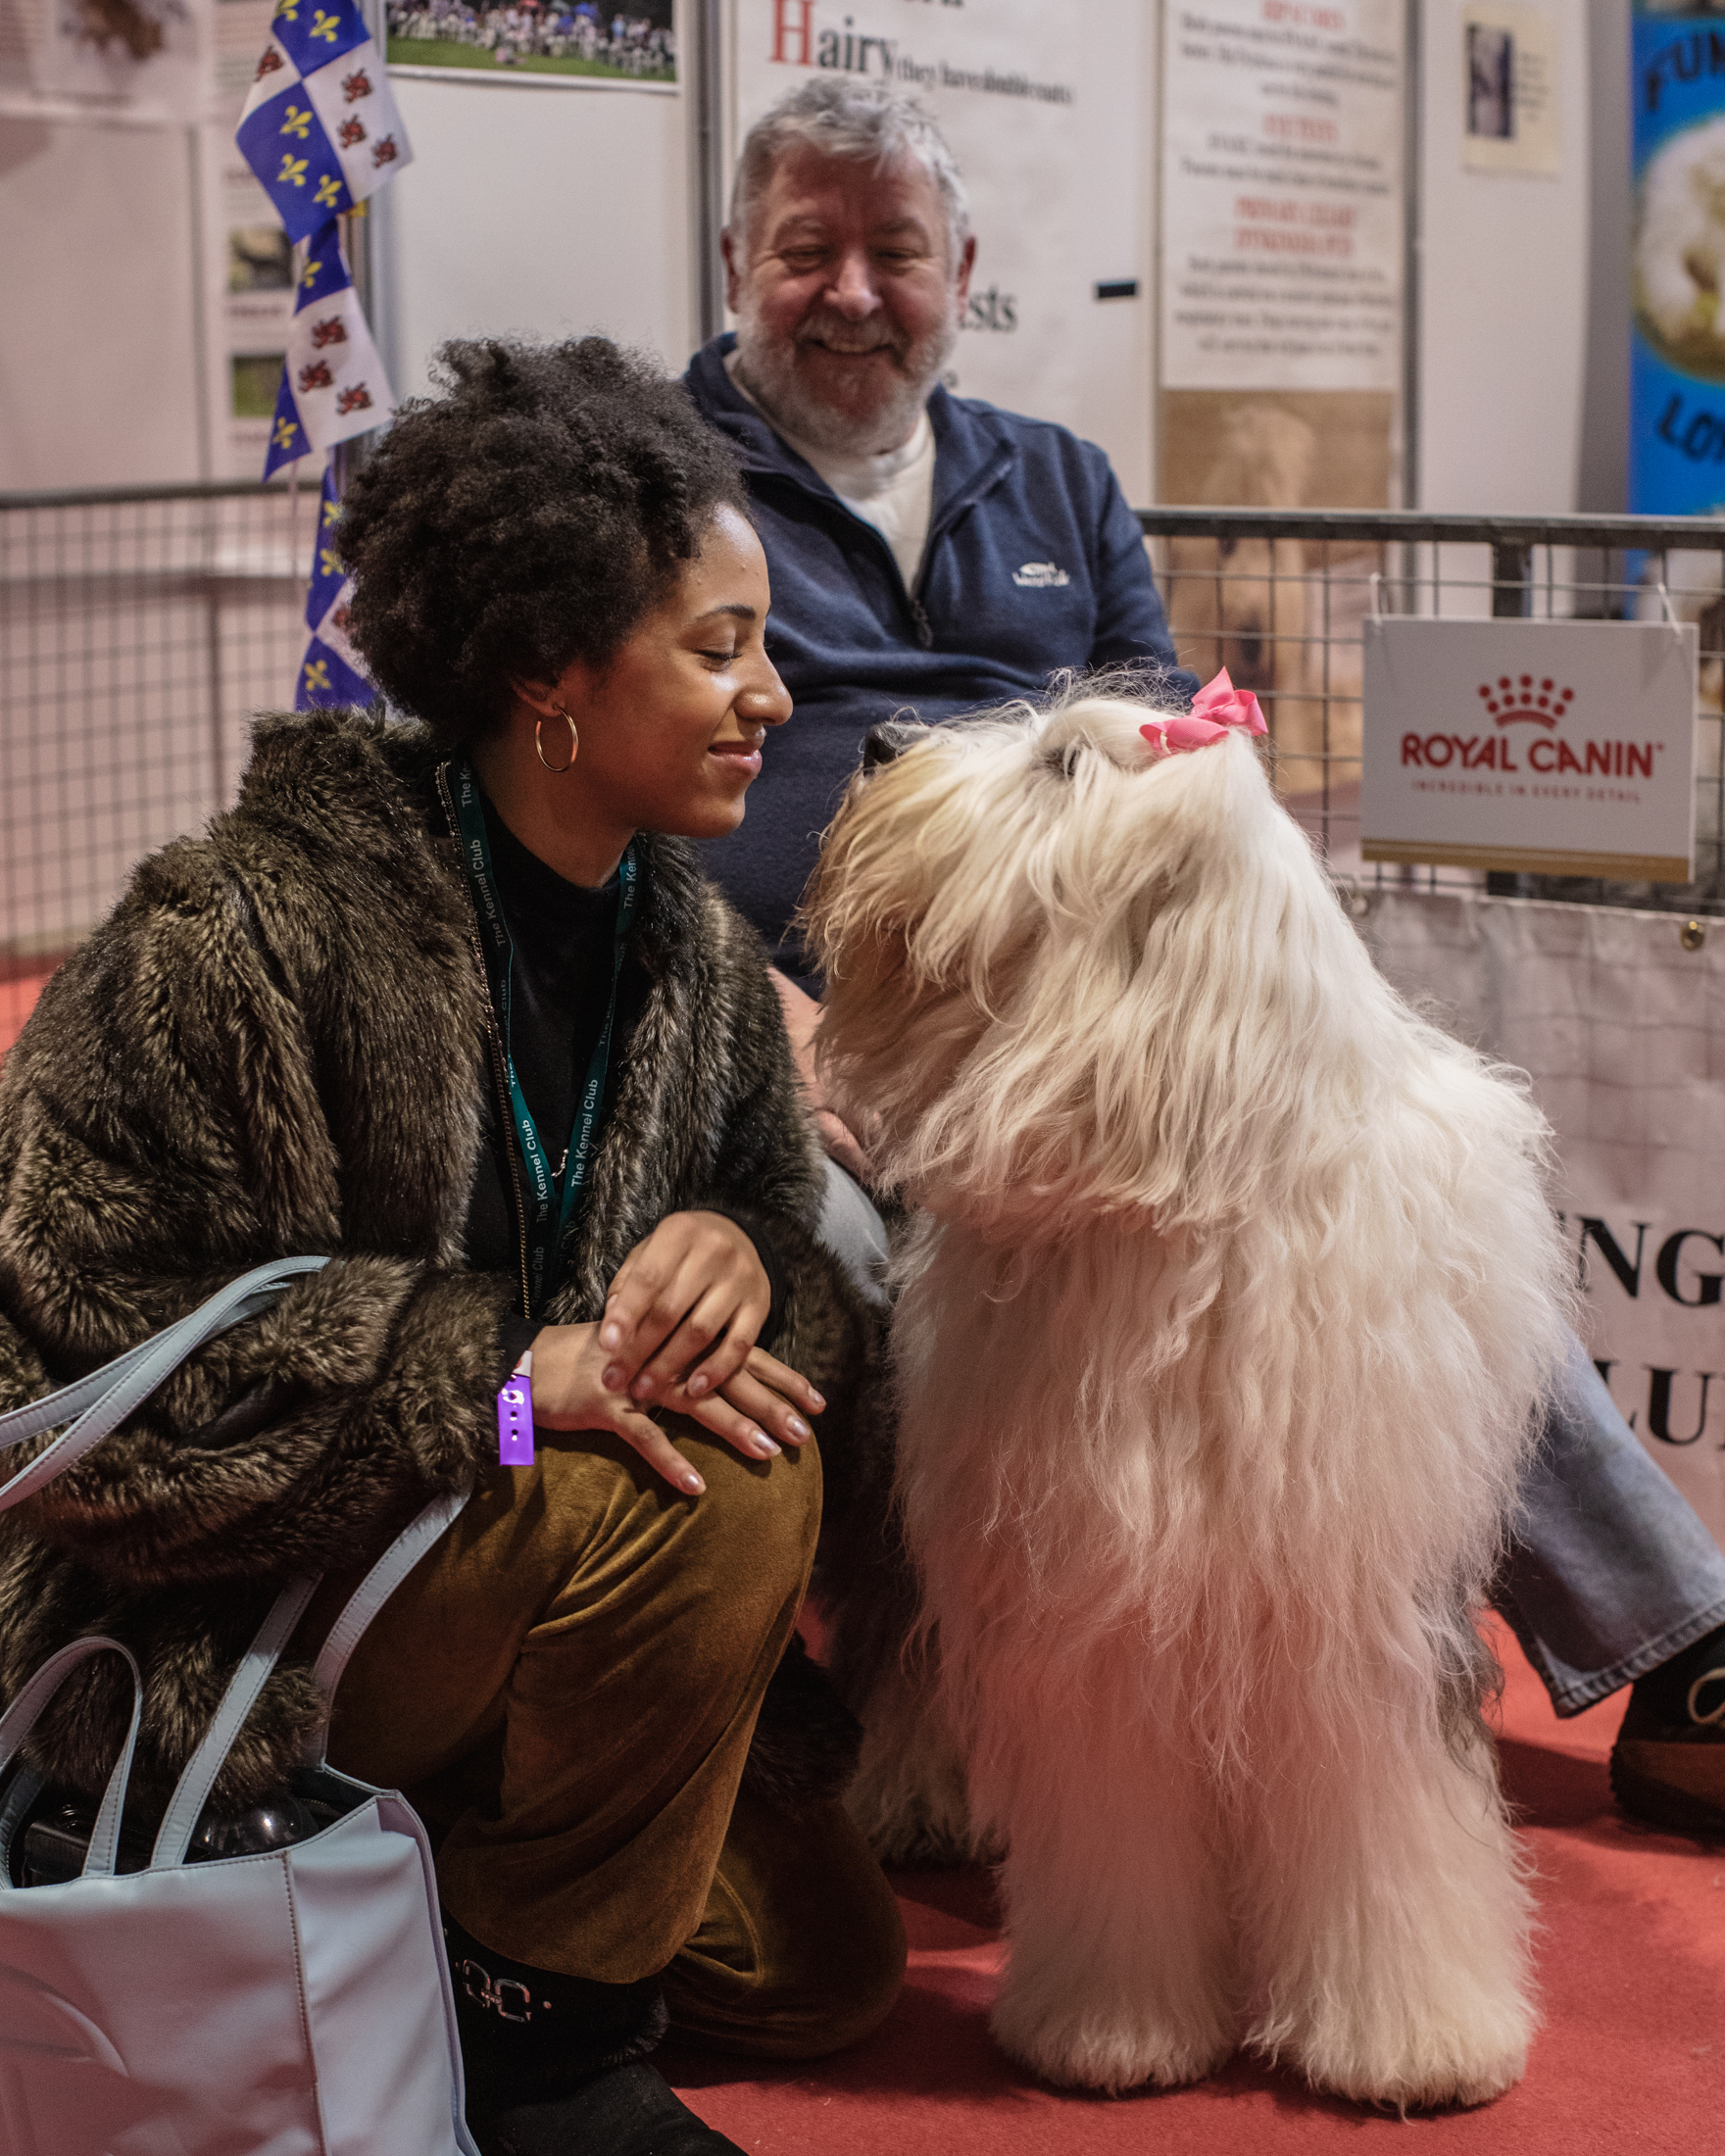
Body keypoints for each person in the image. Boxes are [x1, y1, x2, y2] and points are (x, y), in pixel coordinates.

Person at [684, 77, 1725, 1835]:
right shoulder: (659, 483)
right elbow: (601, 811)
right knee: (866, 1251)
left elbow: (1195, 767)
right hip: (827, 1029)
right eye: (806, 251)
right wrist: (742, 1004)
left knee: (1409, 1184)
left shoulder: (1058, 480)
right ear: (734, 261)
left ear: (964, 270)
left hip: (1110, 1021)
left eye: (896, 252)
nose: (852, 291)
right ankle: (954, 1696)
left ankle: (1671, 1648)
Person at [0, 337, 905, 2155]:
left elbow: (792, 1284)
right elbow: (53, 1362)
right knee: (724, 1487)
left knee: (827, 1971)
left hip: (505, 1555)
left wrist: (749, 1247)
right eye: (717, 647)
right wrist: (493, 1378)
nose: (775, 697)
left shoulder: (694, 959)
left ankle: (450, 1932)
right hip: (250, 1597)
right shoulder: (235, 931)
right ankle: (544, 2060)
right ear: (546, 673)